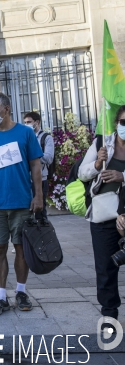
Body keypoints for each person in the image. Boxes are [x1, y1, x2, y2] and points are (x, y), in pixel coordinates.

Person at [0, 92, 43, 317]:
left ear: (6, 109)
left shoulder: (25, 133)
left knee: (22, 249)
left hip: (22, 203)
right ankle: (1, 296)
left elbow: (35, 165)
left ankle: (21, 292)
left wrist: (38, 196)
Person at [80, 105, 125, 331]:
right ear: (116, 123)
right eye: (124, 122)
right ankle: (109, 315)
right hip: (104, 215)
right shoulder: (102, 144)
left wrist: (122, 175)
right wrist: (98, 163)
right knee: (105, 267)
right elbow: (82, 173)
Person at [23, 111, 55, 220]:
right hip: (26, 179)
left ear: (37, 122)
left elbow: (49, 157)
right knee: (26, 211)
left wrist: (34, 155)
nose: (27, 124)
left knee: (39, 210)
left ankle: (42, 234)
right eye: (25, 122)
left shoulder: (46, 137)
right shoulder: (25, 137)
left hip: (41, 178)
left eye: (29, 122)